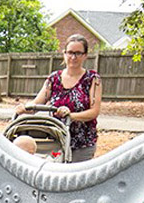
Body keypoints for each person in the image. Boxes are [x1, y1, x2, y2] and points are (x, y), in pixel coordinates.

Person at [14, 34, 102, 162]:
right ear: (64, 53)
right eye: (70, 52)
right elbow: (37, 103)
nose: (73, 57)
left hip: (82, 143)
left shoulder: (92, 79)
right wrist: (24, 108)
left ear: (85, 55)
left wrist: (70, 116)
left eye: (78, 53)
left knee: (75, 173)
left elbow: (94, 111)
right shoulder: (54, 79)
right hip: (56, 142)